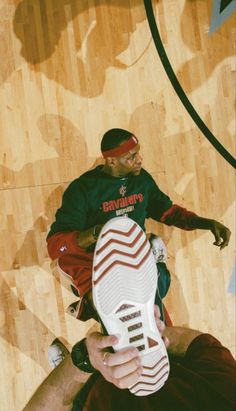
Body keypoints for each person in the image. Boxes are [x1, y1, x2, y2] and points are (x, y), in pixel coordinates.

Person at [46, 128, 231, 321]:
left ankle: (92, 306)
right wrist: (97, 233)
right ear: (111, 161)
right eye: (131, 157)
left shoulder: (142, 180)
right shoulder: (83, 190)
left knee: (156, 319)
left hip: (134, 256)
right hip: (101, 261)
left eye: (138, 153)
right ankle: (93, 304)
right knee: (120, 313)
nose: (140, 160)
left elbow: (169, 213)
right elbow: (56, 244)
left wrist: (207, 223)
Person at [23, 305, 236, 411]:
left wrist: (83, 360)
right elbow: (199, 345)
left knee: (70, 392)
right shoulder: (228, 393)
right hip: (129, 358)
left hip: (86, 398)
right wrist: (149, 338)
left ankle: (72, 380)